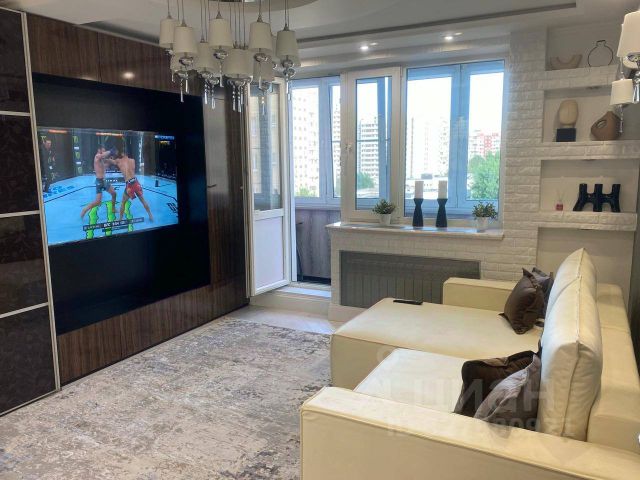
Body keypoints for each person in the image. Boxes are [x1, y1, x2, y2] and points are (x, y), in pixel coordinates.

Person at [108, 150, 154, 222]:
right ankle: (150, 215)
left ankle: (120, 219)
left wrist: (106, 158)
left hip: (129, 185)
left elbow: (112, 162)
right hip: (136, 182)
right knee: (143, 200)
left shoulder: (119, 161)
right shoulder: (133, 160)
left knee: (123, 202)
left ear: (122, 154)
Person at [80, 147, 117, 219]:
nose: (104, 152)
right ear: (99, 150)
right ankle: (84, 209)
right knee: (97, 202)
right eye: (103, 151)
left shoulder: (102, 159)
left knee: (114, 193)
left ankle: (113, 208)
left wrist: (113, 161)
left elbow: (111, 162)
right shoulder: (97, 156)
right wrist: (111, 151)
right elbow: (103, 155)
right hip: (99, 182)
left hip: (104, 181)